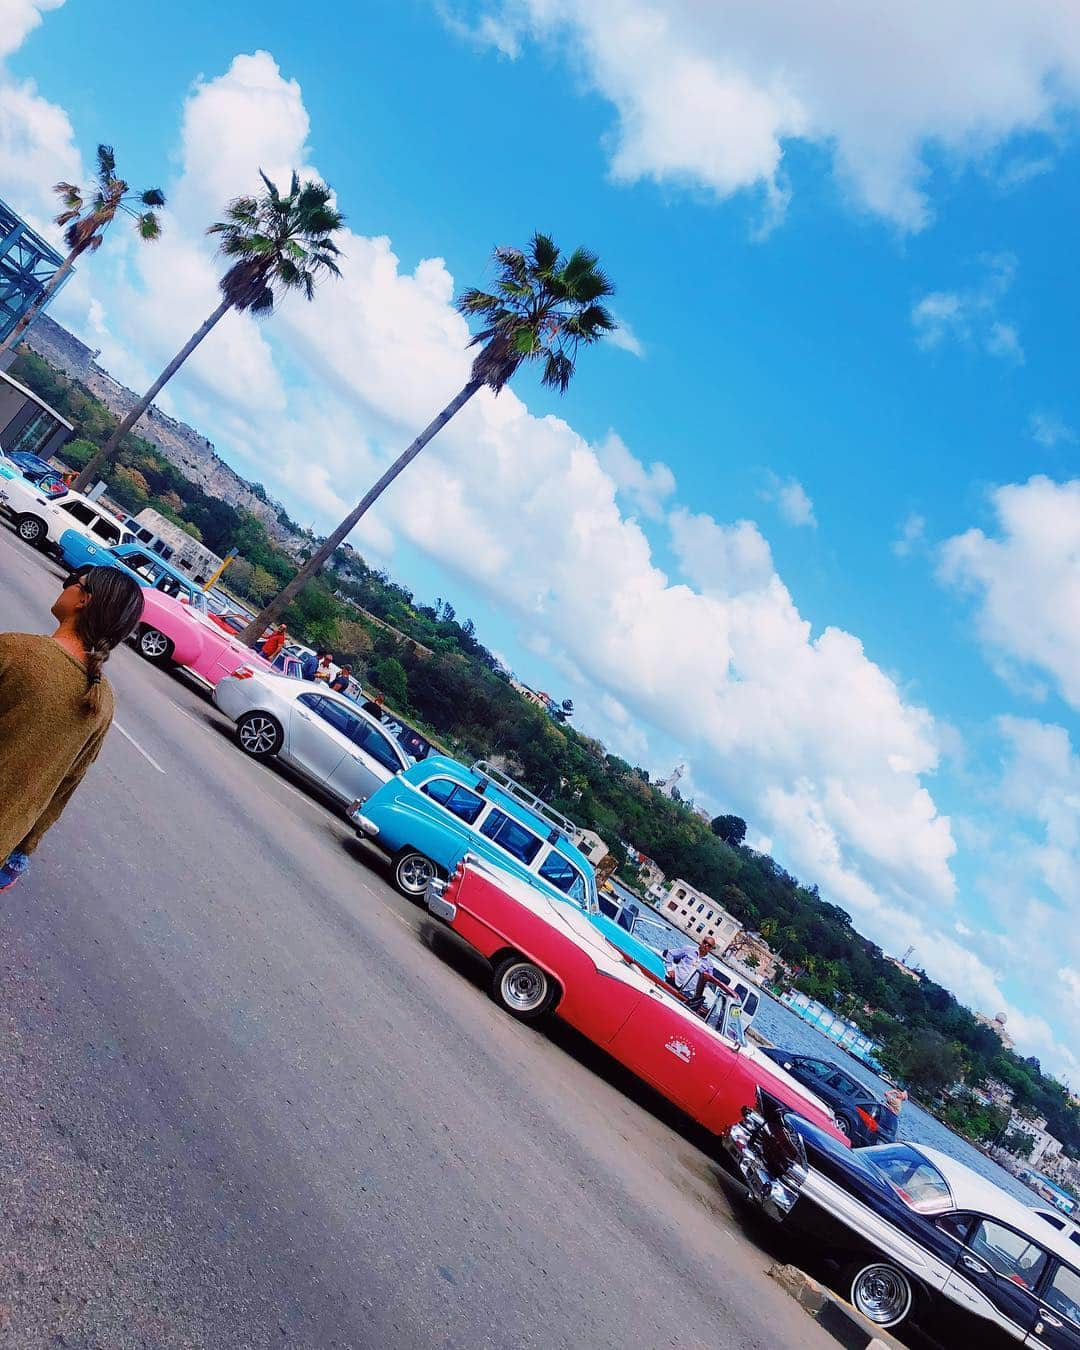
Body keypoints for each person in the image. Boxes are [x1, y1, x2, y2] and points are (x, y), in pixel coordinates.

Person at [0, 566, 143, 890]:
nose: (64, 586)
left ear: (83, 599)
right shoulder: (103, 701)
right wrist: (19, 857)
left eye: (72, 582)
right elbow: (65, 786)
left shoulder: (16, 652)